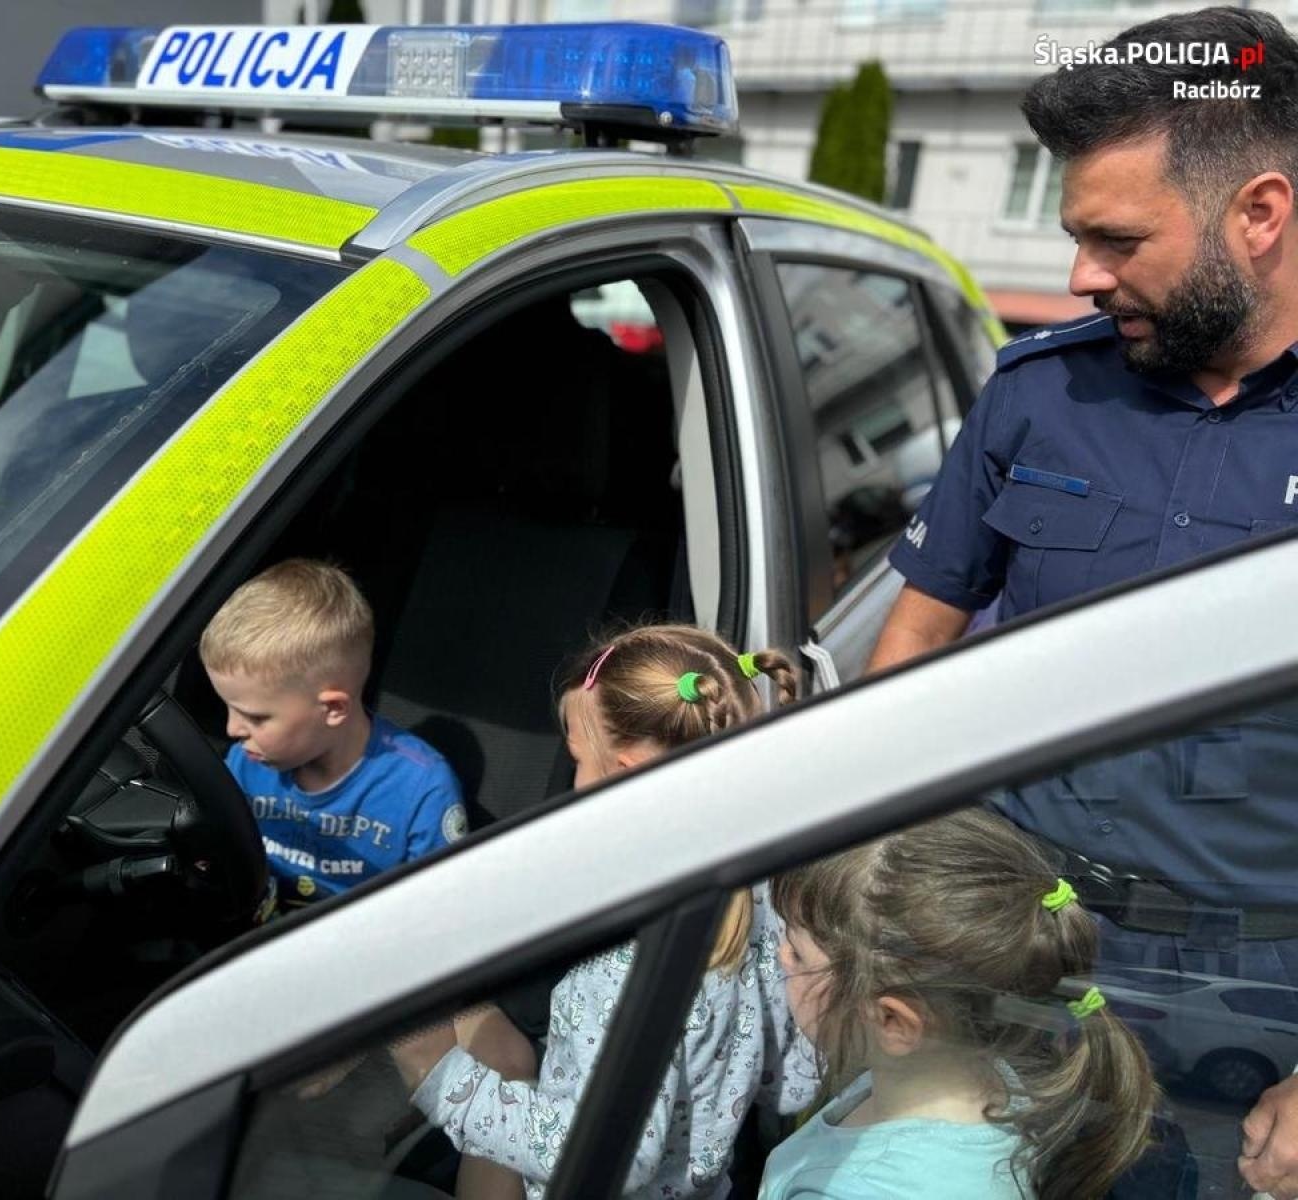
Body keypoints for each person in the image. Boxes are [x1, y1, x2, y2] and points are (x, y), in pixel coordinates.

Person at [866, 9, 1298, 1194]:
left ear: (1257, 214)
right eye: (1073, 237)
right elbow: (913, 642)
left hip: (1261, 994)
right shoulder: (1037, 394)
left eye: (1115, 239)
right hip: (1017, 941)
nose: (1078, 276)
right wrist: (868, 871)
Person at [389, 624, 809, 1200]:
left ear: (630, 773)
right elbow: (791, 1082)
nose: (575, 783)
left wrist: (443, 1082)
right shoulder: (762, 893)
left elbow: (614, 1151)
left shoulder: (623, 966)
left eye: (580, 762)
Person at [762, 808, 1155, 1200]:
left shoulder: (849, 1191)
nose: (781, 956)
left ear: (893, 1022)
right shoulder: (996, 1082)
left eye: (797, 953)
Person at [199, 558, 467, 912]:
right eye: (229, 709)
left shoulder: (421, 789)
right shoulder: (246, 764)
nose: (232, 730)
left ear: (333, 709)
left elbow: (439, 910)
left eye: (256, 717)